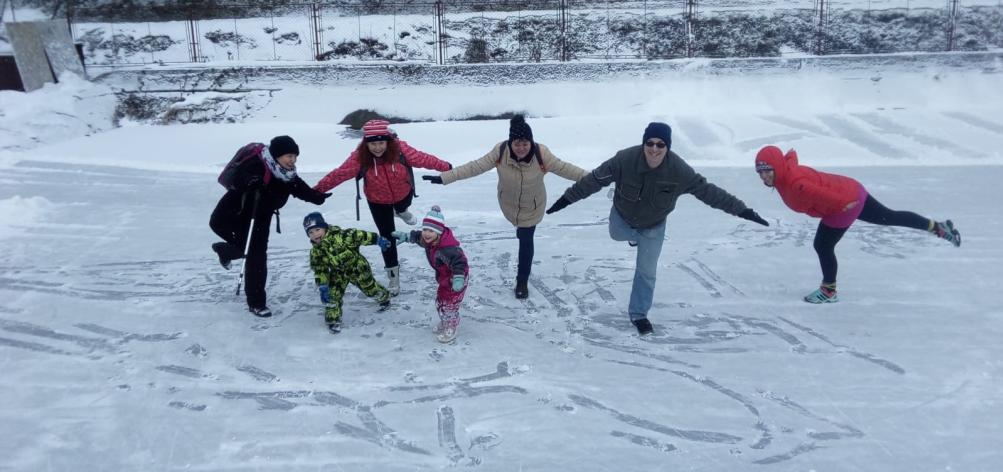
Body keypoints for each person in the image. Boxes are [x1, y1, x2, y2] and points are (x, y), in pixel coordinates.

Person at [546, 122, 769, 335]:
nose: (654, 149)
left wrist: (743, 211)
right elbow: (593, 181)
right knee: (616, 234)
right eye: (650, 143)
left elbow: (711, 193)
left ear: (667, 147)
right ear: (644, 144)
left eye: (660, 144)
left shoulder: (679, 171)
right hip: (622, 217)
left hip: (653, 226)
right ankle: (633, 236)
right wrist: (565, 200)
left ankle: (639, 314)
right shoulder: (624, 160)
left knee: (646, 272)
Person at [753, 145, 961, 303]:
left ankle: (829, 290)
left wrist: (844, 205)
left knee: (823, 245)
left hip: (845, 204)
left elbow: (820, 193)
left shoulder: (795, 183)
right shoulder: (785, 175)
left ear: (777, 166)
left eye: (767, 170)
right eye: (760, 172)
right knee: (890, 216)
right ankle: (939, 227)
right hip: (852, 190)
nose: (764, 176)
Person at [422, 115, 588, 299]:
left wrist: (595, 178)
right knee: (522, 232)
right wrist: (445, 177)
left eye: (525, 143)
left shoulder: (542, 154)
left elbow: (566, 168)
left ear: (531, 142)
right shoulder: (500, 151)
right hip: (508, 203)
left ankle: (522, 281)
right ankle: (520, 234)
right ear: (510, 143)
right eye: (517, 143)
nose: (521, 147)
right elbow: (475, 167)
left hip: (532, 206)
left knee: (526, 240)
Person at [314, 119, 452, 297]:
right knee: (388, 237)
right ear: (366, 143)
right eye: (373, 143)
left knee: (403, 205)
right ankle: (393, 276)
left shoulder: (400, 150)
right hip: (378, 201)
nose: (377, 148)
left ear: (388, 140)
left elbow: (423, 158)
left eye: (381, 143)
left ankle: (401, 211)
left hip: (403, 193)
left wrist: (446, 167)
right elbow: (339, 174)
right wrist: (317, 191)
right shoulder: (360, 157)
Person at [210, 135, 331, 317]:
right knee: (239, 243)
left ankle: (256, 301)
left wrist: (317, 197)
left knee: (256, 257)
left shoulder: (287, 174)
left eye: (295, 156)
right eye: (288, 156)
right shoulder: (257, 164)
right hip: (234, 211)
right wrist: (251, 181)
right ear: (276, 155)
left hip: (260, 217)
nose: (293, 160)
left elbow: (299, 188)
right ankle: (227, 254)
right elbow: (239, 178)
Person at [303, 212, 393, 333]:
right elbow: (320, 269)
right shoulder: (316, 252)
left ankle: (384, 298)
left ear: (324, 227)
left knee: (369, 288)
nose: (315, 234)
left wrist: (378, 240)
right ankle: (333, 320)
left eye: (317, 229)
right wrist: (323, 285)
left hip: (357, 267)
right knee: (332, 295)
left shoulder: (342, 236)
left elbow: (360, 235)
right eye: (310, 232)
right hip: (338, 273)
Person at [391, 206, 468, 343]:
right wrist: (407, 237)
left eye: (431, 231)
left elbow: (460, 262)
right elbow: (419, 238)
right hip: (445, 278)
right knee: (440, 301)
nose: (426, 233)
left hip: (457, 278)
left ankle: (451, 326)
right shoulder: (430, 241)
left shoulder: (448, 249)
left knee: (449, 304)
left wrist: (458, 278)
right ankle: (446, 322)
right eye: (425, 229)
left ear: (438, 232)